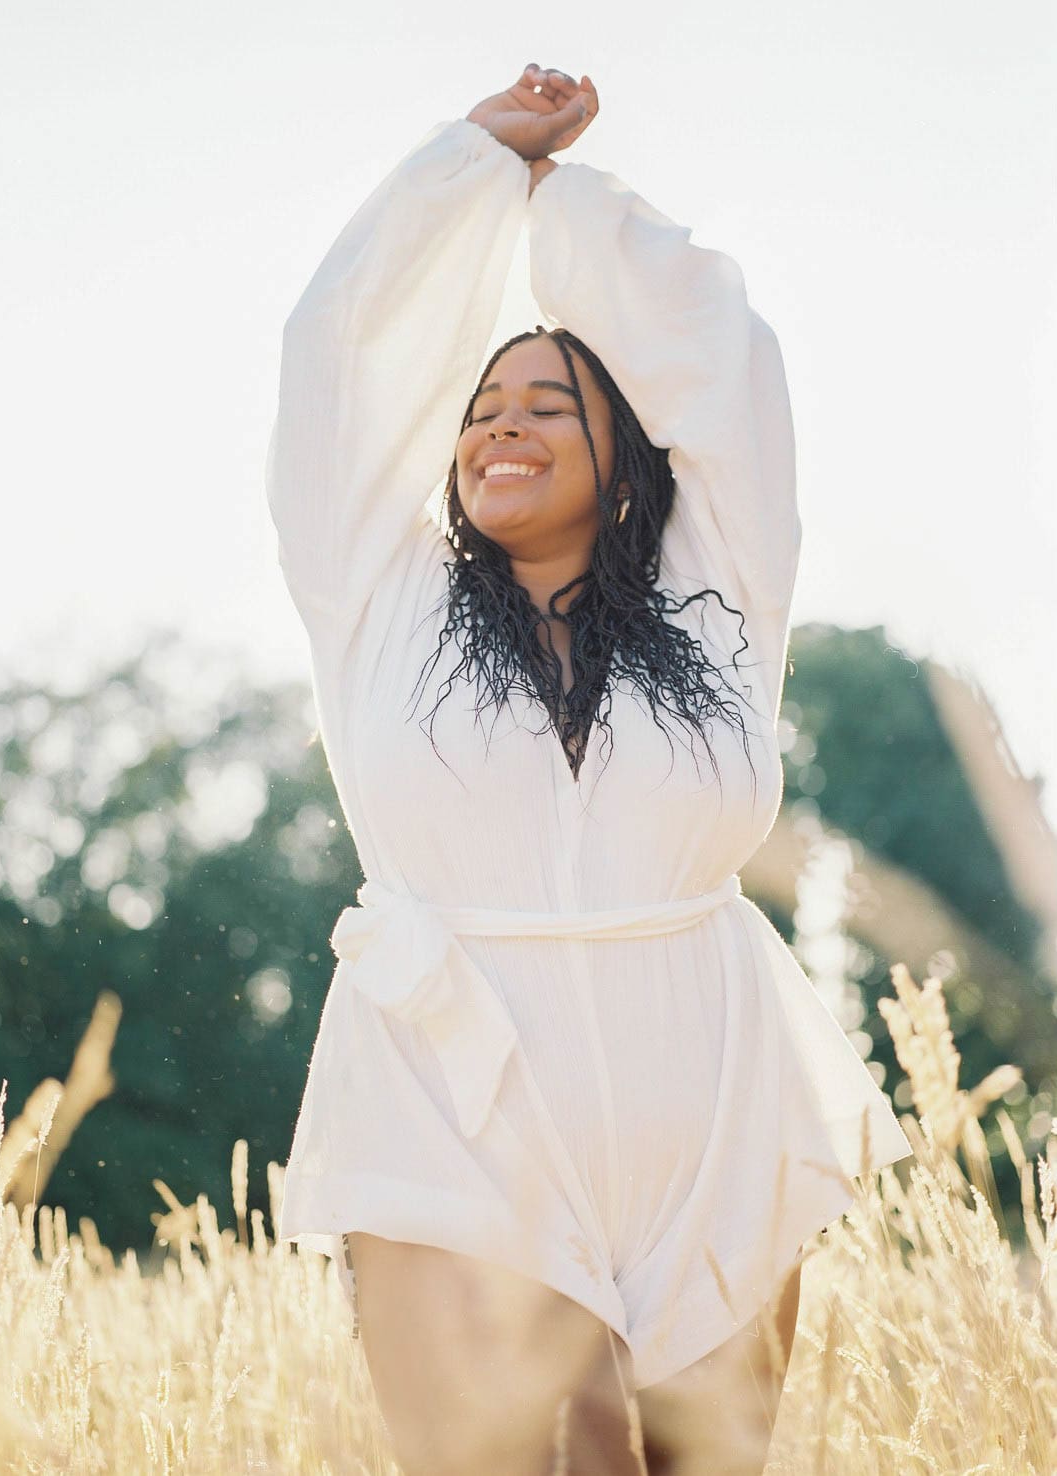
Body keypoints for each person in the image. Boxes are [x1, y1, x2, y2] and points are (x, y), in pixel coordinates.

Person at [265, 62, 912, 1476]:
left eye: (548, 401)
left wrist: (572, 215)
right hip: (452, 1108)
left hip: (710, 1108)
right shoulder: (377, 597)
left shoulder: (718, 594)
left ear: (626, 462)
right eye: (483, 405)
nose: (500, 421)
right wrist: (469, 175)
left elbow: (722, 359)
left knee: (698, 1468)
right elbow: (340, 365)